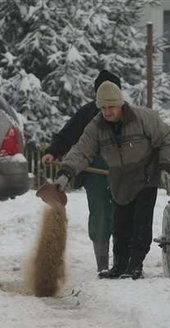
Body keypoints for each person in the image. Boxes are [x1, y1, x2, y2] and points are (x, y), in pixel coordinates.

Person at [52, 80, 170, 280]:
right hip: (120, 179)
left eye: (111, 107)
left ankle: (135, 266)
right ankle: (119, 265)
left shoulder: (143, 118)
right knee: (121, 225)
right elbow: (82, 150)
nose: (107, 112)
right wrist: (65, 173)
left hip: (145, 175)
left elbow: (167, 140)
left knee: (140, 223)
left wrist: (166, 167)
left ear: (120, 104)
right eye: (103, 108)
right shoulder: (96, 127)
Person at [41, 70, 120, 273]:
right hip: (95, 174)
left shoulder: (129, 115)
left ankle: (122, 262)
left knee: (122, 215)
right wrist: (53, 152)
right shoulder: (87, 114)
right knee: (100, 215)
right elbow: (68, 136)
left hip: (122, 174)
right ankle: (102, 264)